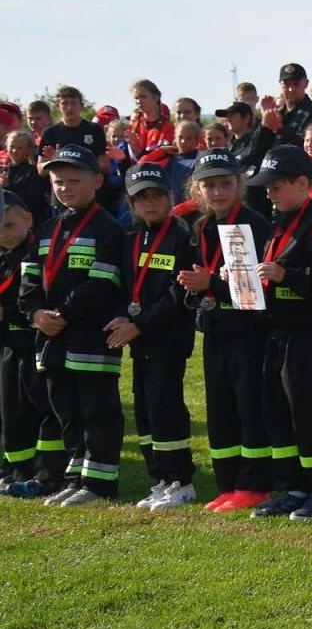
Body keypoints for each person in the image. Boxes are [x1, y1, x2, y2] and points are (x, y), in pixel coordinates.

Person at [17, 145, 125, 504]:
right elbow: (28, 282)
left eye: (74, 180)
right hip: (51, 339)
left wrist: (60, 314)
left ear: (97, 181)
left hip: (90, 339)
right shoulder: (46, 229)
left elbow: (102, 282)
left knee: (97, 410)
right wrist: (35, 315)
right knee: (67, 411)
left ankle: (100, 485)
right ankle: (78, 477)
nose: (65, 188)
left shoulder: (109, 228)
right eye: (58, 181)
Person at [245, 145, 312, 522]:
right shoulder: (280, 222)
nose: (269, 193)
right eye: (266, 187)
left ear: (303, 183)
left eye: (276, 186)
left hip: (307, 335)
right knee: (278, 413)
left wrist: (285, 276)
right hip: (277, 333)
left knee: (311, 413)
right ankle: (293, 486)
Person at [175, 151, 274, 510]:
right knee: (220, 409)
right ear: (198, 189)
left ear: (239, 185)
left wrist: (211, 285)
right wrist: (193, 285)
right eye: (210, 185)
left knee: (249, 407)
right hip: (214, 329)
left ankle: (256, 483)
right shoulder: (200, 227)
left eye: (225, 184)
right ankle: (229, 482)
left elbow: (253, 292)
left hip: (247, 332)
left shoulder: (252, 224)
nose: (218, 192)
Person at [115, 164, 197, 511]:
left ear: (170, 197)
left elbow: (177, 295)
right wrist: (124, 317)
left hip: (168, 337)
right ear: (131, 203)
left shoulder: (182, 237)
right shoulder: (131, 238)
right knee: (146, 411)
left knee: (166, 407)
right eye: (141, 197)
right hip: (141, 340)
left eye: (157, 195)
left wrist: (141, 323)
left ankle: (182, 481)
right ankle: (161, 478)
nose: (150, 203)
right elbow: (124, 286)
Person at [0, 194, 41, 490]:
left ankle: (34, 469)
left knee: (34, 407)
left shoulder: (37, 251)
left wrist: (9, 312)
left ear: (27, 219)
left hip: (32, 340)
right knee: (9, 409)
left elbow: (38, 299)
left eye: (8, 225)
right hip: (7, 345)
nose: (2, 232)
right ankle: (14, 466)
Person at [4, 130, 51, 227]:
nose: (14, 151)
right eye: (11, 146)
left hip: (30, 222)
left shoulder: (33, 172)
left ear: (28, 150)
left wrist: (7, 188)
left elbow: (33, 200)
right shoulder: (6, 170)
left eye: (19, 148)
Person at [271, 63, 312, 146]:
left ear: (306, 83)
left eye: (296, 84)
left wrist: (280, 130)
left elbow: (309, 145)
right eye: (286, 85)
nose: (291, 89)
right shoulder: (278, 113)